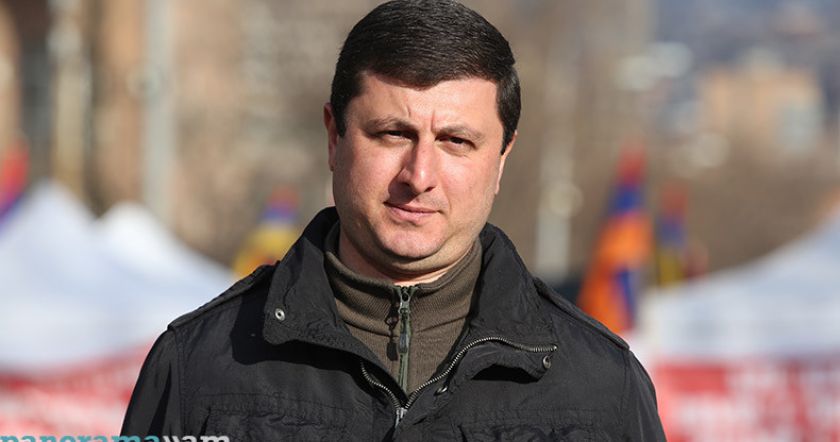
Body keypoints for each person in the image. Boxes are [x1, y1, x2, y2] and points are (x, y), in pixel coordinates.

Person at [122, 0, 666, 440]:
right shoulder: (197, 366)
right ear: (334, 136)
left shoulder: (602, 387)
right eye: (392, 134)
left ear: (501, 159)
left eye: (456, 141)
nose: (419, 175)